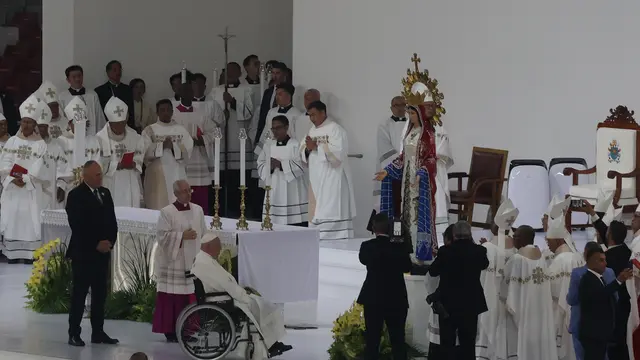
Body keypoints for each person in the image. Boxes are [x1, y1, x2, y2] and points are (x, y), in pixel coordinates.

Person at [192, 232, 293, 358]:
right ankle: (268, 346)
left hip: (225, 296)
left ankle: (271, 344)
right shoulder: (204, 263)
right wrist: (242, 295)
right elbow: (224, 284)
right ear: (208, 247)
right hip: (222, 300)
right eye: (218, 247)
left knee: (264, 305)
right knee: (260, 306)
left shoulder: (205, 259)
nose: (220, 250)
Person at [374, 89, 438, 263]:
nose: (409, 115)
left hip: (419, 180)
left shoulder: (427, 134)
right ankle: (407, 248)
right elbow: (403, 157)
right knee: (406, 214)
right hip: (406, 179)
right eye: (409, 112)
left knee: (418, 214)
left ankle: (422, 251)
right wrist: (388, 171)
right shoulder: (409, 133)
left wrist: (422, 172)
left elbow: (431, 157)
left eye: (412, 112)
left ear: (420, 113)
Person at [65, 160, 119, 347]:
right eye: (97, 175)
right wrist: (96, 244)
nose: (100, 177)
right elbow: (78, 225)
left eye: (101, 174)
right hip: (84, 253)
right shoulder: (75, 196)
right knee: (79, 295)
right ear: (85, 176)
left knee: (100, 295)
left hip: (103, 253)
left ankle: (98, 332)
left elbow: (112, 221)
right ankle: (74, 333)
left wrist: (109, 242)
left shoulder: (105, 193)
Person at [152, 179, 207, 342]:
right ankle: (170, 331)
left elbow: (203, 231)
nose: (188, 193)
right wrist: (182, 236)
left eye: (189, 190)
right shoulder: (167, 212)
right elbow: (162, 237)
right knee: (172, 298)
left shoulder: (198, 210)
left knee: (189, 297)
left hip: (192, 260)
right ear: (175, 194)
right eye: (184, 191)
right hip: (174, 262)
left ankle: (187, 330)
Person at [428, 221, 488, 360]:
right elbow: (484, 265)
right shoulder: (479, 251)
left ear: (454, 235)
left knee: (447, 344)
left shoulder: (445, 251)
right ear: (470, 234)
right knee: (468, 344)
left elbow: (432, 272)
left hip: (448, 305)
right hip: (470, 303)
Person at [496, 224, 558, 360]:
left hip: (524, 312)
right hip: (541, 312)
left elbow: (505, 290)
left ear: (524, 238)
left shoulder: (517, 259)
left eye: (516, 236)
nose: (513, 238)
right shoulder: (541, 258)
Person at [0, 94, 48, 264]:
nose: (26, 125)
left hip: (30, 189)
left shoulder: (41, 145)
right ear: (20, 123)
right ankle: (12, 254)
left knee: (29, 220)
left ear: (35, 124)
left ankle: (30, 255)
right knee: (13, 218)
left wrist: (26, 178)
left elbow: (40, 166)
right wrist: (13, 178)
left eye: (30, 122)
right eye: (24, 121)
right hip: (14, 187)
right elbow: (5, 162)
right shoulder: (12, 141)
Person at [357, 213, 412, 360]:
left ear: (374, 228)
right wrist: (403, 240)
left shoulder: (367, 247)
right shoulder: (399, 248)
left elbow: (363, 260)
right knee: (398, 339)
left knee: (372, 340)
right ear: (390, 229)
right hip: (396, 298)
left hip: (373, 298)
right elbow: (407, 267)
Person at [300, 100, 355, 240]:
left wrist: (316, 147)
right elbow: (302, 150)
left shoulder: (335, 129)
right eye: (309, 115)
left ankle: (335, 236)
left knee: (331, 205)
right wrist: (307, 149)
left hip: (333, 176)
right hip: (316, 176)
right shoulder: (311, 131)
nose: (312, 118)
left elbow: (339, 153)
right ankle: (318, 237)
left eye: (314, 114)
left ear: (323, 112)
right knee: (317, 206)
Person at [209, 62, 253, 217]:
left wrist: (233, 102)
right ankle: (220, 211)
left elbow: (248, 113)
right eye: (228, 73)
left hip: (238, 138)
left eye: (234, 72)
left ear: (239, 73)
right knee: (221, 179)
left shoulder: (246, 90)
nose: (231, 76)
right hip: (221, 138)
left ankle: (238, 211)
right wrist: (222, 116)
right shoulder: (215, 91)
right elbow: (210, 114)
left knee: (239, 178)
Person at [476, 200, 519, 360]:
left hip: (490, 293)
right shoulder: (515, 245)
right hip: (509, 295)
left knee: (488, 327)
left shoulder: (488, 247)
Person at [173, 78, 220, 215]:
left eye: (190, 91)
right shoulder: (173, 114)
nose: (188, 93)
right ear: (179, 93)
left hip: (198, 160)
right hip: (181, 161)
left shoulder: (201, 113)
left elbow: (215, 132)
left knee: (200, 202)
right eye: (184, 91)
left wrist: (202, 140)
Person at [579, 246, 633, 360]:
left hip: (599, 333)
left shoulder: (598, 278)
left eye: (605, 260)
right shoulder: (587, 279)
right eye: (601, 260)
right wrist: (618, 280)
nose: (605, 263)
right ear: (592, 262)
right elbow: (601, 295)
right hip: (592, 334)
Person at [567, 241, 617, 360]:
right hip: (605, 322)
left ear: (586, 255)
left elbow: (572, 299)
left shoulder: (578, 273)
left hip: (581, 322)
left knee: (582, 355)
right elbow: (615, 296)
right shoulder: (609, 272)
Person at [141, 99, 194, 210]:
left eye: (168, 110)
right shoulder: (149, 130)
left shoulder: (181, 129)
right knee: (158, 206)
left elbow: (188, 150)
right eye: (162, 110)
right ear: (157, 112)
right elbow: (144, 152)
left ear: (172, 111)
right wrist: (162, 146)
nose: (165, 112)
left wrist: (174, 147)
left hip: (177, 173)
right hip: (157, 175)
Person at [256, 115, 308, 225]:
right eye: (273, 128)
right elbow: (260, 163)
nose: (275, 131)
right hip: (274, 186)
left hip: (293, 188)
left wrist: (281, 165)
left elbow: (301, 164)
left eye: (278, 128)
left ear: (286, 127)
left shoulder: (295, 144)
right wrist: (269, 166)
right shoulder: (268, 145)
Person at [546, 215, 585, 360]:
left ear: (558, 240)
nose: (547, 244)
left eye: (548, 241)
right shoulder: (577, 256)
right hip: (576, 310)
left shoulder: (559, 260)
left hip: (559, 310)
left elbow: (551, 290)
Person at [96, 97, 144, 207]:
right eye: (116, 124)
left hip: (130, 181)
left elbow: (139, 153)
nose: (120, 127)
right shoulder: (99, 138)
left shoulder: (134, 136)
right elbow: (97, 162)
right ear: (110, 122)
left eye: (123, 123)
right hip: (110, 181)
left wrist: (135, 163)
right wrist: (116, 165)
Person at [56, 96, 102, 204]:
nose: (80, 125)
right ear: (69, 123)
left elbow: (97, 162)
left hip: (90, 186)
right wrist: (62, 185)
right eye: (76, 123)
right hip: (69, 187)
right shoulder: (61, 142)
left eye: (82, 122)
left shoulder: (93, 141)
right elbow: (60, 166)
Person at [425, 224, 455, 359]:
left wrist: (434, 299)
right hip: (461, 310)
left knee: (439, 347)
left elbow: (430, 278)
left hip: (442, 306)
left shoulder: (444, 255)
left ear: (448, 239)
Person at [372, 96, 407, 215]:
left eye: (403, 105)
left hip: (408, 168)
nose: (401, 108)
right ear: (391, 108)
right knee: (391, 204)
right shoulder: (384, 125)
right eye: (397, 105)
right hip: (391, 168)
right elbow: (384, 147)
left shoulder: (411, 124)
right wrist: (400, 162)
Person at [605, 220, 633, 359]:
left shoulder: (607, 258)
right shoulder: (625, 250)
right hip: (625, 302)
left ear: (609, 235)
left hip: (614, 304)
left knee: (614, 344)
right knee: (621, 342)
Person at [253, 83, 301, 156]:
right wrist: (260, 150)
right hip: (271, 148)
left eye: (280, 94)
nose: (277, 97)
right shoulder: (271, 112)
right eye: (276, 94)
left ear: (289, 96)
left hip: (288, 150)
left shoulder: (296, 114)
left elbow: (297, 136)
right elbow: (266, 131)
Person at [58, 65, 106, 136]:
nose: (77, 79)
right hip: (71, 137)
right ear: (68, 80)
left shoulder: (92, 95)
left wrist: (100, 135)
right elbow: (61, 119)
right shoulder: (62, 97)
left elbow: (99, 117)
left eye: (79, 76)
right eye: (74, 77)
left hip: (91, 135)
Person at [35, 100, 66, 211]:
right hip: (34, 189)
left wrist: (61, 187)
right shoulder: (31, 145)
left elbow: (63, 168)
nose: (41, 129)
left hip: (52, 189)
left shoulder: (56, 146)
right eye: (39, 126)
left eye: (44, 126)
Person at [255, 62, 287, 146]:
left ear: (284, 74)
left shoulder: (289, 92)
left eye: (278, 73)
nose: (275, 76)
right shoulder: (268, 92)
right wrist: (258, 137)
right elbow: (263, 116)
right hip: (269, 129)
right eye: (273, 73)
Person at [95, 60, 134, 128]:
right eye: (115, 70)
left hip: (126, 126)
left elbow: (131, 111)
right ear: (108, 72)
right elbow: (99, 114)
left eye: (120, 69)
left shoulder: (127, 89)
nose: (118, 72)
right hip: (107, 127)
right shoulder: (100, 91)